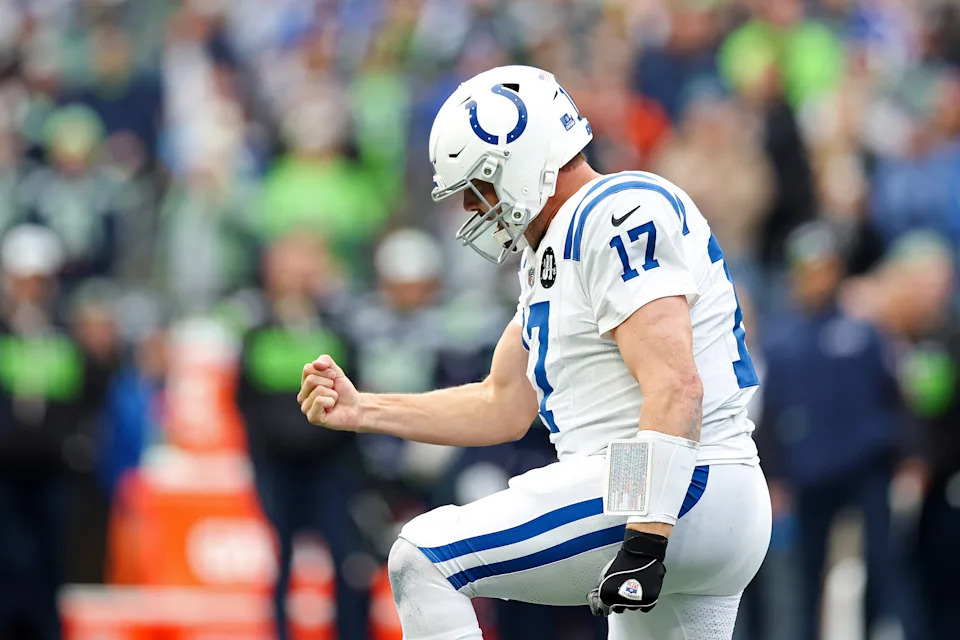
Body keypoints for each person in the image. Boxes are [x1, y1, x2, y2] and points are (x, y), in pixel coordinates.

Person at [298, 65, 771, 639]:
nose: (474, 208)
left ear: (521, 161)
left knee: (423, 558)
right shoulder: (553, 247)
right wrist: (364, 410)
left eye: (479, 185)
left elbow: (676, 384)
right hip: (691, 487)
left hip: (667, 478)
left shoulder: (616, 209)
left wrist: (647, 532)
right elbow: (502, 402)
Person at [757, 222, 903, 640]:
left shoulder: (863, 329)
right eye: (809, 268)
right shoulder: (781, 339)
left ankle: (879, 630)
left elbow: (891, 394)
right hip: (811, 472)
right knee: (807, 570)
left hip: (866, 466)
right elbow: (770, 412)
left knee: (880, 559)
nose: (818, 276)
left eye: (825, 267)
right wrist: (776, 475)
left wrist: (903, 452)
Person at [236, 232, 370, 640]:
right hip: (278, 467)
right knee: (281, 561)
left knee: (344, 556)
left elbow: (356, 395)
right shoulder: (257, 334)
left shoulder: (336, 330)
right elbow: (246, 401)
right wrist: (279, 442)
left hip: (330, 467)